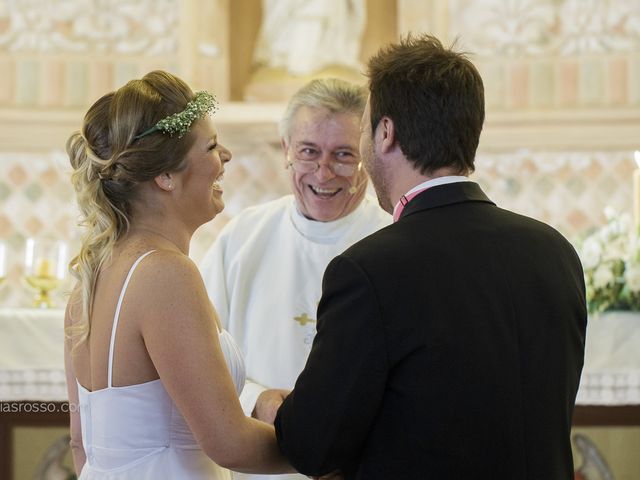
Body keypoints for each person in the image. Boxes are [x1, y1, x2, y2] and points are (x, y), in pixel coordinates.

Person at [274, 34, 587, 479]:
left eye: (362, 129)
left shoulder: (369, 270)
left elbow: (311, 446)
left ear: (386, 133)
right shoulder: (555, 251)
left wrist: (273, 408)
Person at [63, 70, 294, 479]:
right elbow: (230, 443)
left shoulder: (90, 281)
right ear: (165, 176)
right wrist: (328, 454)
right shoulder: (165, 273)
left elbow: (81, 445)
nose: (226, 156)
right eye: (210, 146)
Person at [199, 78, 390, 480]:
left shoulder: (394, 242)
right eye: (308, 152)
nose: (324, 172)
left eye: (343, 155)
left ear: (370, 157)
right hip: (257, 461)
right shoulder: (242, 239)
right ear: (286, 149)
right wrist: (260, 401)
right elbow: (201, 358)